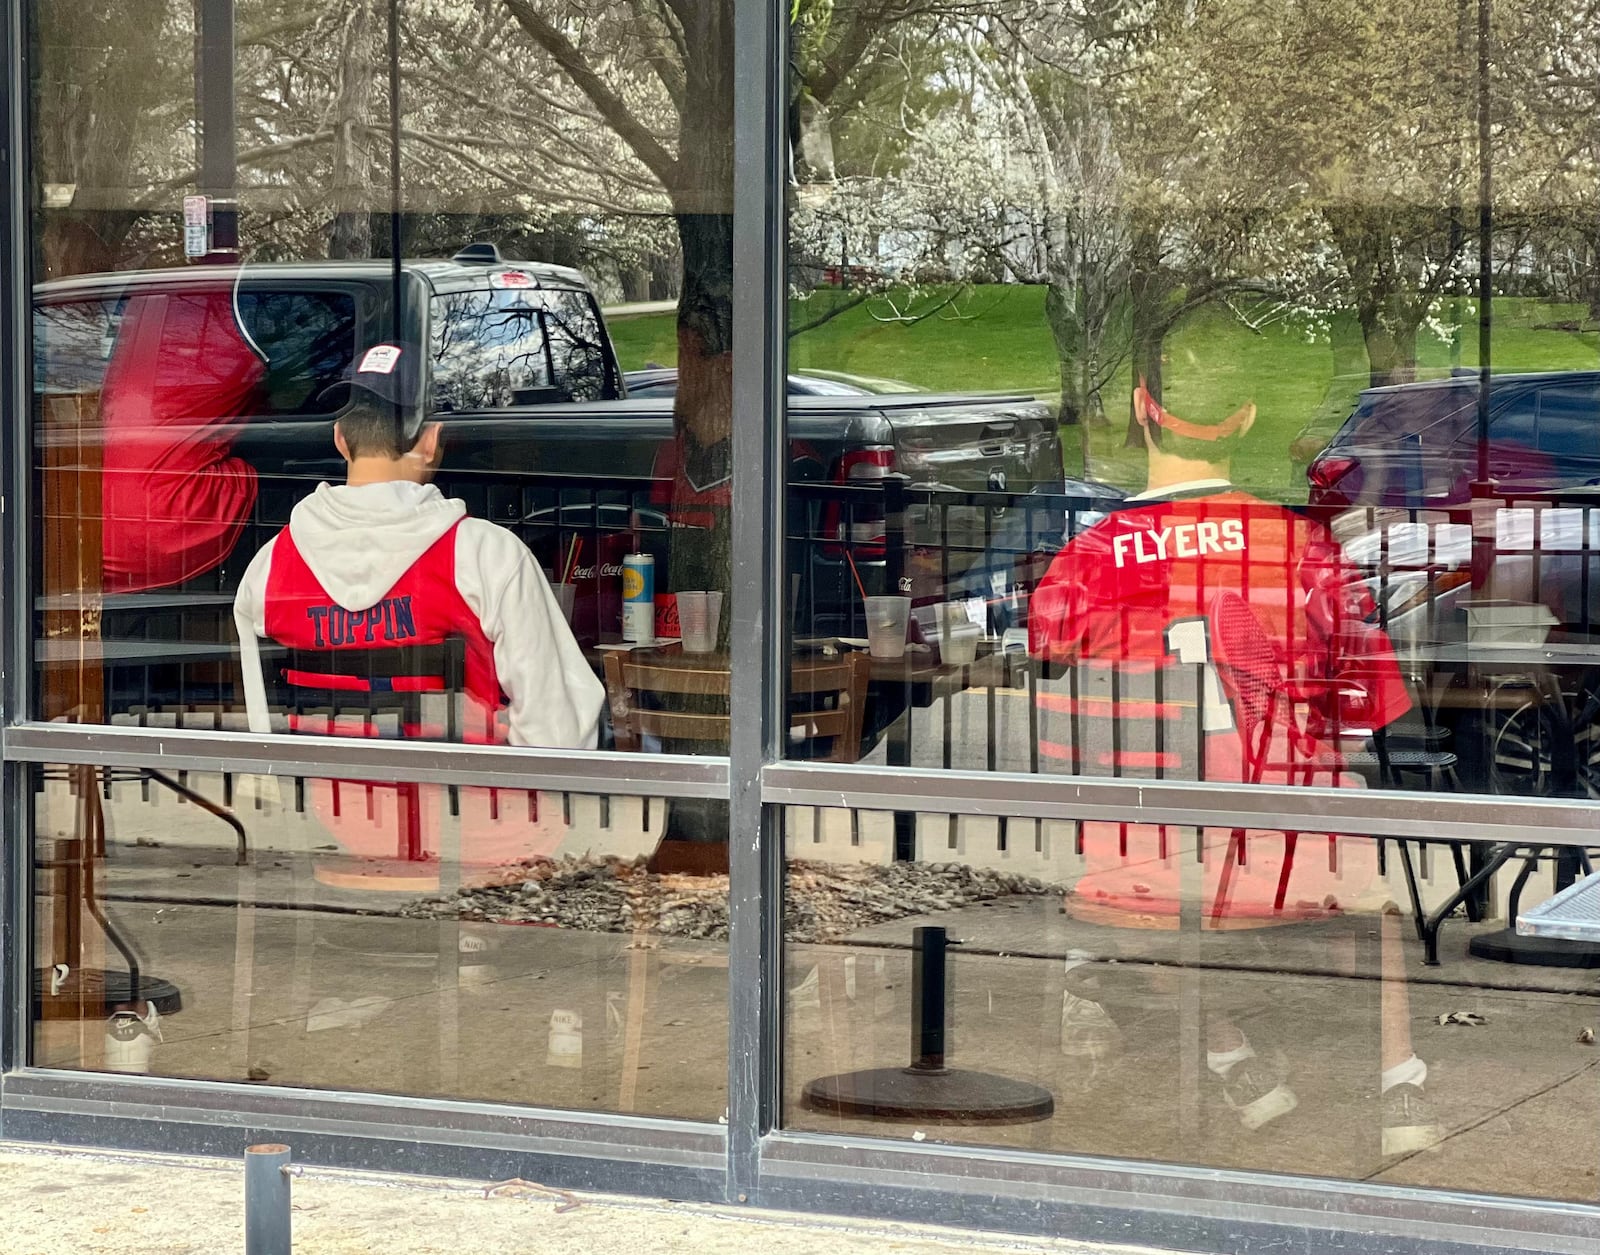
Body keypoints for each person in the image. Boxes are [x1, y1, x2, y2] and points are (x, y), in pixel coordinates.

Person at [1029, 379, 1439, 1157]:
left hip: (1142, 856)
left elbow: (1040, 651)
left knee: (1145, 885)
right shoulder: (1298, 545)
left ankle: (1228, 1051)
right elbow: (1370, 709)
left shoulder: (1089, 556)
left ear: (1143, 408)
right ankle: (1398, 1082)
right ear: (1246, 414)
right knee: (1373, 890)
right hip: (1282, 855)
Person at [234, 342, 604, 752]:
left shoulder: (267, 569)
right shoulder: (488, 557)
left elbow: (260, 727)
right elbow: (559, 732)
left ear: (340, 439)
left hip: (317, 808)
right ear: (431, 440)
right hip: (467, 806)